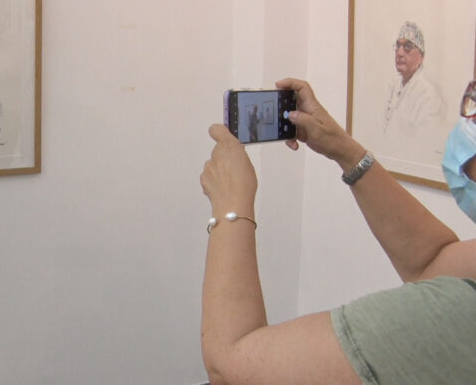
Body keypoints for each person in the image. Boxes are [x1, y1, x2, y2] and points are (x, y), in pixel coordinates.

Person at [200, 77, 476, 385]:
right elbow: (434, 262)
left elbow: (230, 366)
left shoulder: (451, 318)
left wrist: (230, 205)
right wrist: (344, 150)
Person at [383, 21, 445, 136]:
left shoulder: (430, 97)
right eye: (398, 46)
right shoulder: (394, 87)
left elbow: (422, 144)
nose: (400, 53)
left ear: (421, 56)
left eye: (407, 47)